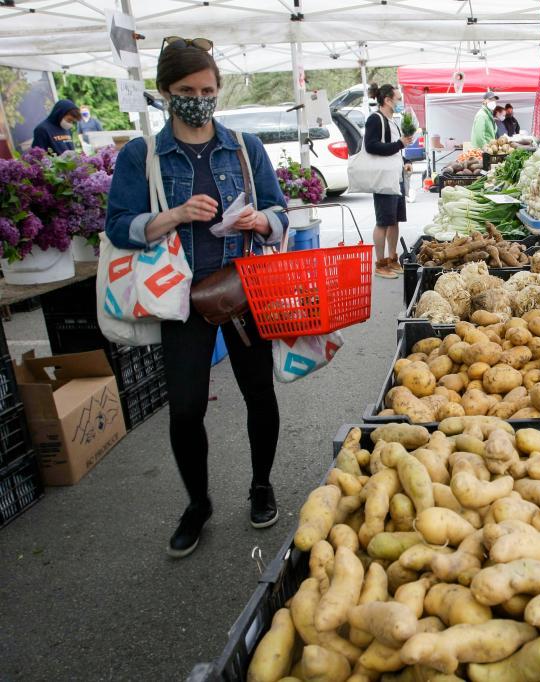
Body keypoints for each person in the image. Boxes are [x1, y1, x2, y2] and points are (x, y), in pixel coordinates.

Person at [104, 37, 289, 558]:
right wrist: (174, 215)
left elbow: (279, 212)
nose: (198, 98)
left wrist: (263, 220)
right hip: (180, 298)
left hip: (241, 290)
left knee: (260, 393)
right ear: (164, 92)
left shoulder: (244, 148)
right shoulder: (143, 156)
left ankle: (261, 485)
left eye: (207, 89)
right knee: (185, 409)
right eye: (186, 90)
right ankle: (198, 502)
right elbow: (119, 226)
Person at [365, 83, 413, 278]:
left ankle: (392, 258)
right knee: (383, 222)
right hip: (384, 179)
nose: (400, 102)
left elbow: (394, 149)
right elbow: (371, 146)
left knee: (395, 221)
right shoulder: (375, 119)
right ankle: (380, 263)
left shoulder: (392, 121)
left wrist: (405, 160)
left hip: (396, 177)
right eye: (398, 98)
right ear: (387, 100)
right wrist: (399, 144)